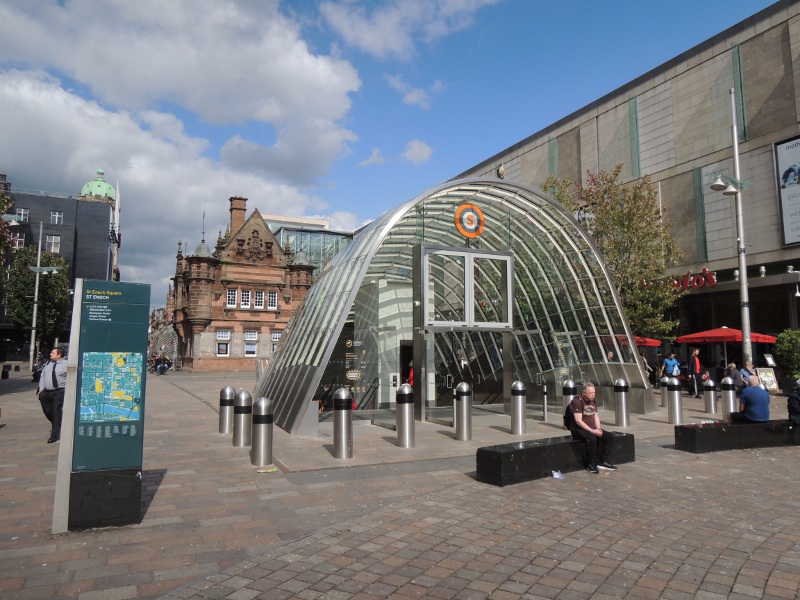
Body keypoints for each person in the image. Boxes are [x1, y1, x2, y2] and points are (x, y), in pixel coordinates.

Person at [566, 381, 617, 474]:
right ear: (584, 392)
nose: (592, 395)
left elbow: (596, 416)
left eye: (594, 393)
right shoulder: (577, 401)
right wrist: (592, 431)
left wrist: (598, 429)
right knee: (592, 439)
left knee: (609, 437)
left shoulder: (593, 401)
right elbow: (578, 421)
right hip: (578, 429)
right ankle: (590, 464)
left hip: (592, 428)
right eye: (590, 393)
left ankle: (602, 462)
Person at [37, 346, 68, 444]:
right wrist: (41, 390)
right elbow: (43, 375)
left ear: (59, 355)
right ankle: (58, 424)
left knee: (56, 411)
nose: (50, 354)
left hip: (59, 390)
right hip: (46, 391)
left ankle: (54, 435)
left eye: (53, 353)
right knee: (47, 411)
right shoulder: (48, 363)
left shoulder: (67, 364)